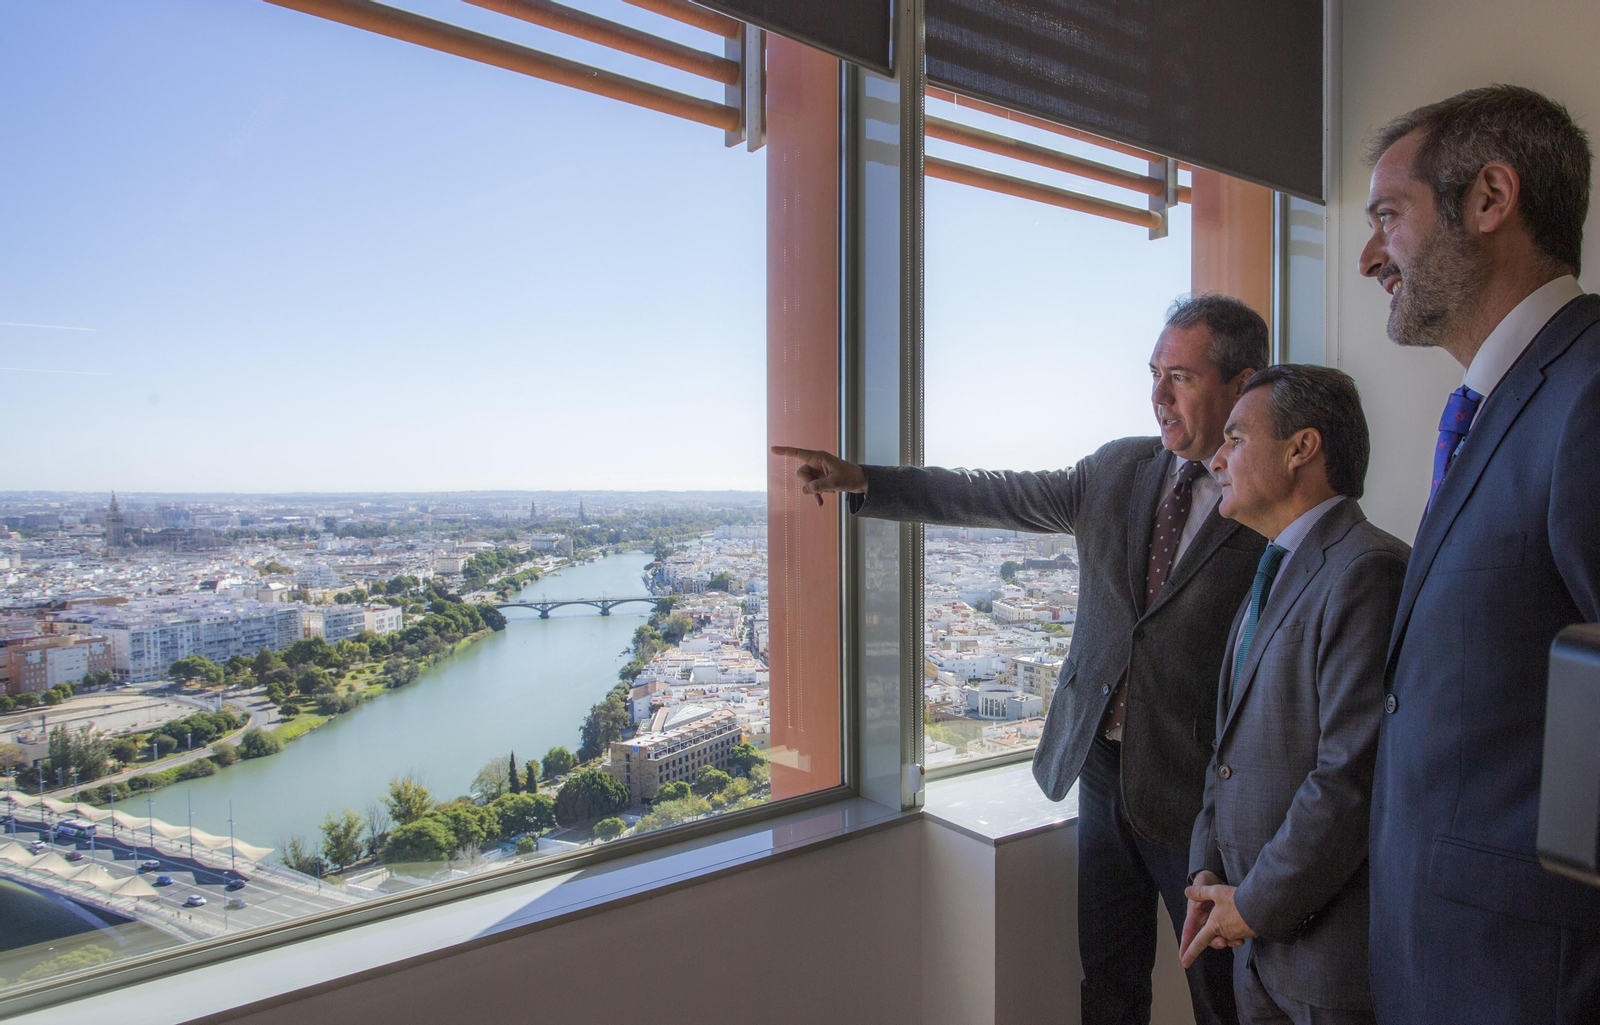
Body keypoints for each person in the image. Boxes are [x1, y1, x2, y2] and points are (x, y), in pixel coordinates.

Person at [773, 294, 1269, 1025]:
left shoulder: (1267, 499)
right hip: (1102, 769)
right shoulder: (1118, 469)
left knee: (1222, 996)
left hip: (1200, 790)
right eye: (1154, 374)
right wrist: (867, 480)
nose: (1158, 396)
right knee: (1108, 976)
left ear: (1242, 383)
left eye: (1182, 378)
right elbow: (996, 495)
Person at [1360, 84, 1600, 1023]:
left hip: (1531, 980)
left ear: (1491, 198)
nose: (1370, 255)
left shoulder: (1588, 394)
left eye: (1389, 215)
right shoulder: (1492, 410)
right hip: (1443, 960)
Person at [1180, 364, 1407, 1025]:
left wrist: (1252, 906)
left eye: (1236, 438)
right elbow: (1226, 752)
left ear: (1301, 448)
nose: (1216, 459)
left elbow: (1349, 778)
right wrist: (1205, 872)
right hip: (1257, 948)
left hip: (1326, 960)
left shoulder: (1366, 569)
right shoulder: (1274, 566)